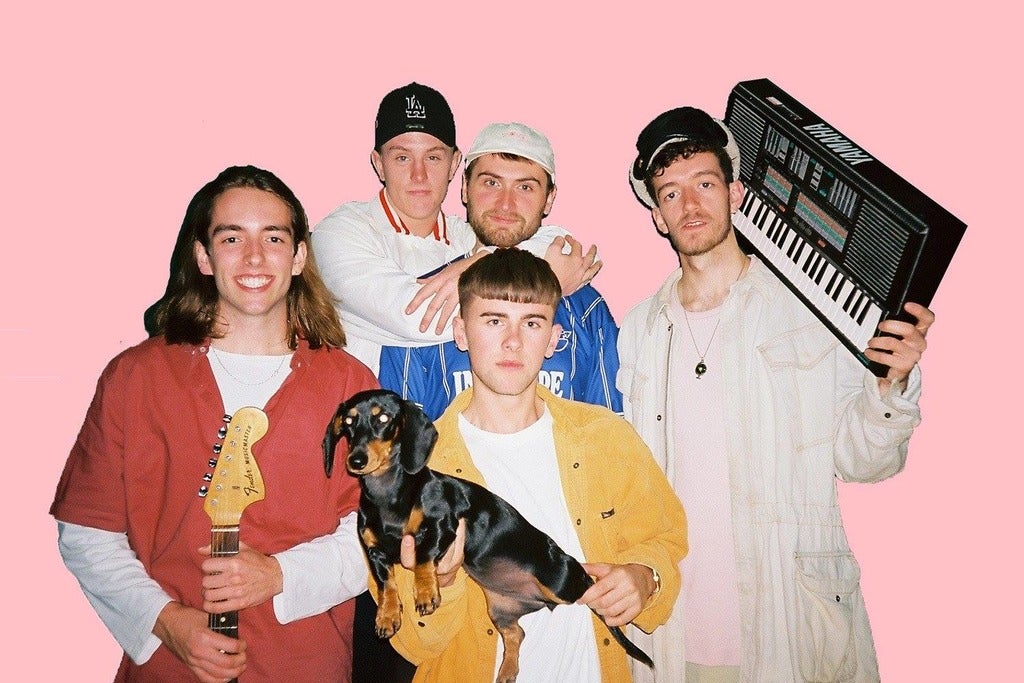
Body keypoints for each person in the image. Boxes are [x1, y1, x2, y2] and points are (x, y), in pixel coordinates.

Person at [617, 106, 935, 682]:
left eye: (705, 184)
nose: (690, 205)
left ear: (736, 192)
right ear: (658, 217)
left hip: (790, 623)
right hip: (671, 629)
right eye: (671, 193)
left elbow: (864, 463)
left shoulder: (809, 310)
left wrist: (891, 385)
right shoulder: (639, 330)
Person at [51, 165, 376, 682]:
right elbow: (87, 530)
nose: (254, 257)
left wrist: (280, 575)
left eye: (274, 238)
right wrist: (166, 621)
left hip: (303, 664)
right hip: (170, 664)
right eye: (231, 238)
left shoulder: (349, 385)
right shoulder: (135, 377)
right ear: (203, 256)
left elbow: (376, 532)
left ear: (299, 257)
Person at [386, 248, 687, 682]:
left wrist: (645, 577)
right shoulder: (415, 472)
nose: (513, 341)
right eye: (494, 321)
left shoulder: (606, 436)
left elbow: (665, 539)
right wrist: (443, 582)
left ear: (552, 339)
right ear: (461, 333)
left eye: (531, 323)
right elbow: (413, 644)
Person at [311, 83, 600, 376]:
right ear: (379, 163)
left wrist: (483, 261)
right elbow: (420, 318)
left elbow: (561, 246)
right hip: (360, 403)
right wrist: (541, 281)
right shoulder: (340, 233)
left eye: (433, 157)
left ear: (453, 165)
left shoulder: (467, 237)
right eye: (402, 157)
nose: (419, 175)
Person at [378, 122, 622, 419]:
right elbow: (398, 437)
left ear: (549, 199)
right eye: (491, 183)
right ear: (465, 188)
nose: (506, 204)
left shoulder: (585, 309)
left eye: (525, 187)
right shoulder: (427, 300)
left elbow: (609, 433)